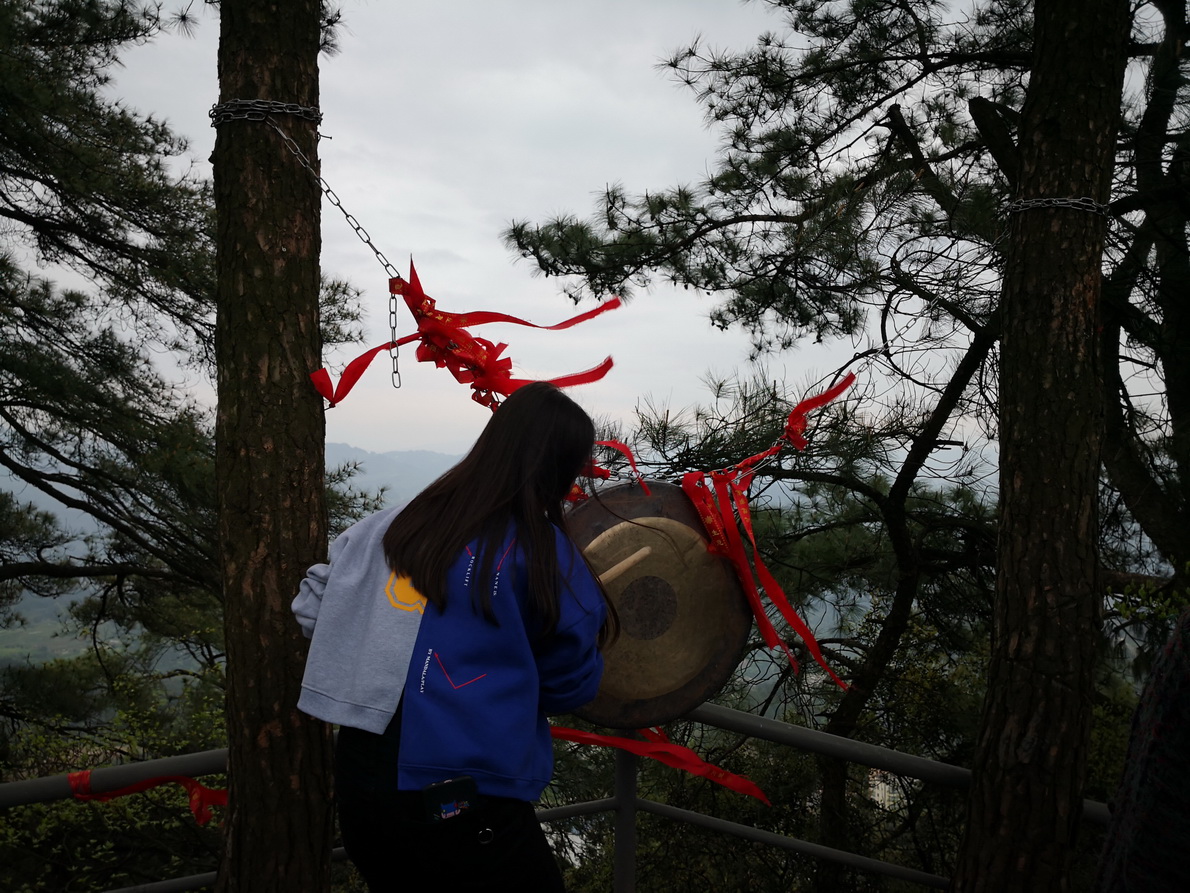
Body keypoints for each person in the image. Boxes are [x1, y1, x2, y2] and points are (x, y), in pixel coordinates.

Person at [291, 382, 614, 892]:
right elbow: (570, 683)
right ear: (561, 467)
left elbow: (315, 607)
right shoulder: (541, 548)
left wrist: (387, 645)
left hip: (362, 781)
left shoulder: (398, 524)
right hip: (458, 795)